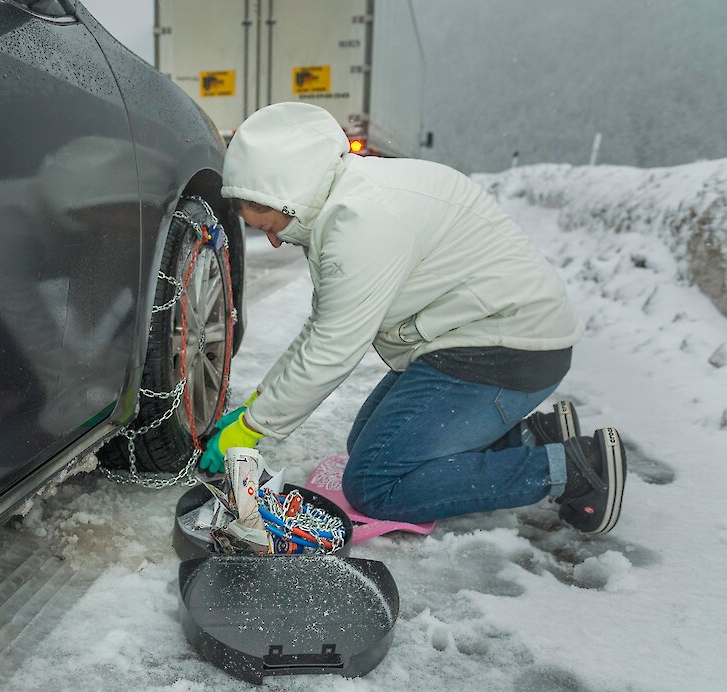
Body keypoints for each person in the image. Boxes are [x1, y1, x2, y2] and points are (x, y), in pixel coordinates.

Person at [200, 102, 627, 535]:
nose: (273, 242)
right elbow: (321, 326)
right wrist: (259, 404)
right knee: (365, 445)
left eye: (273, 224)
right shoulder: (350, 195)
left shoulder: (360, 221)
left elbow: (333, 347)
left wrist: (255, 428)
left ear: (290, 192)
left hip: (504, 351)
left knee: (375, 483)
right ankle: (536, 437)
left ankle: (572, 468)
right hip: (483, 338)